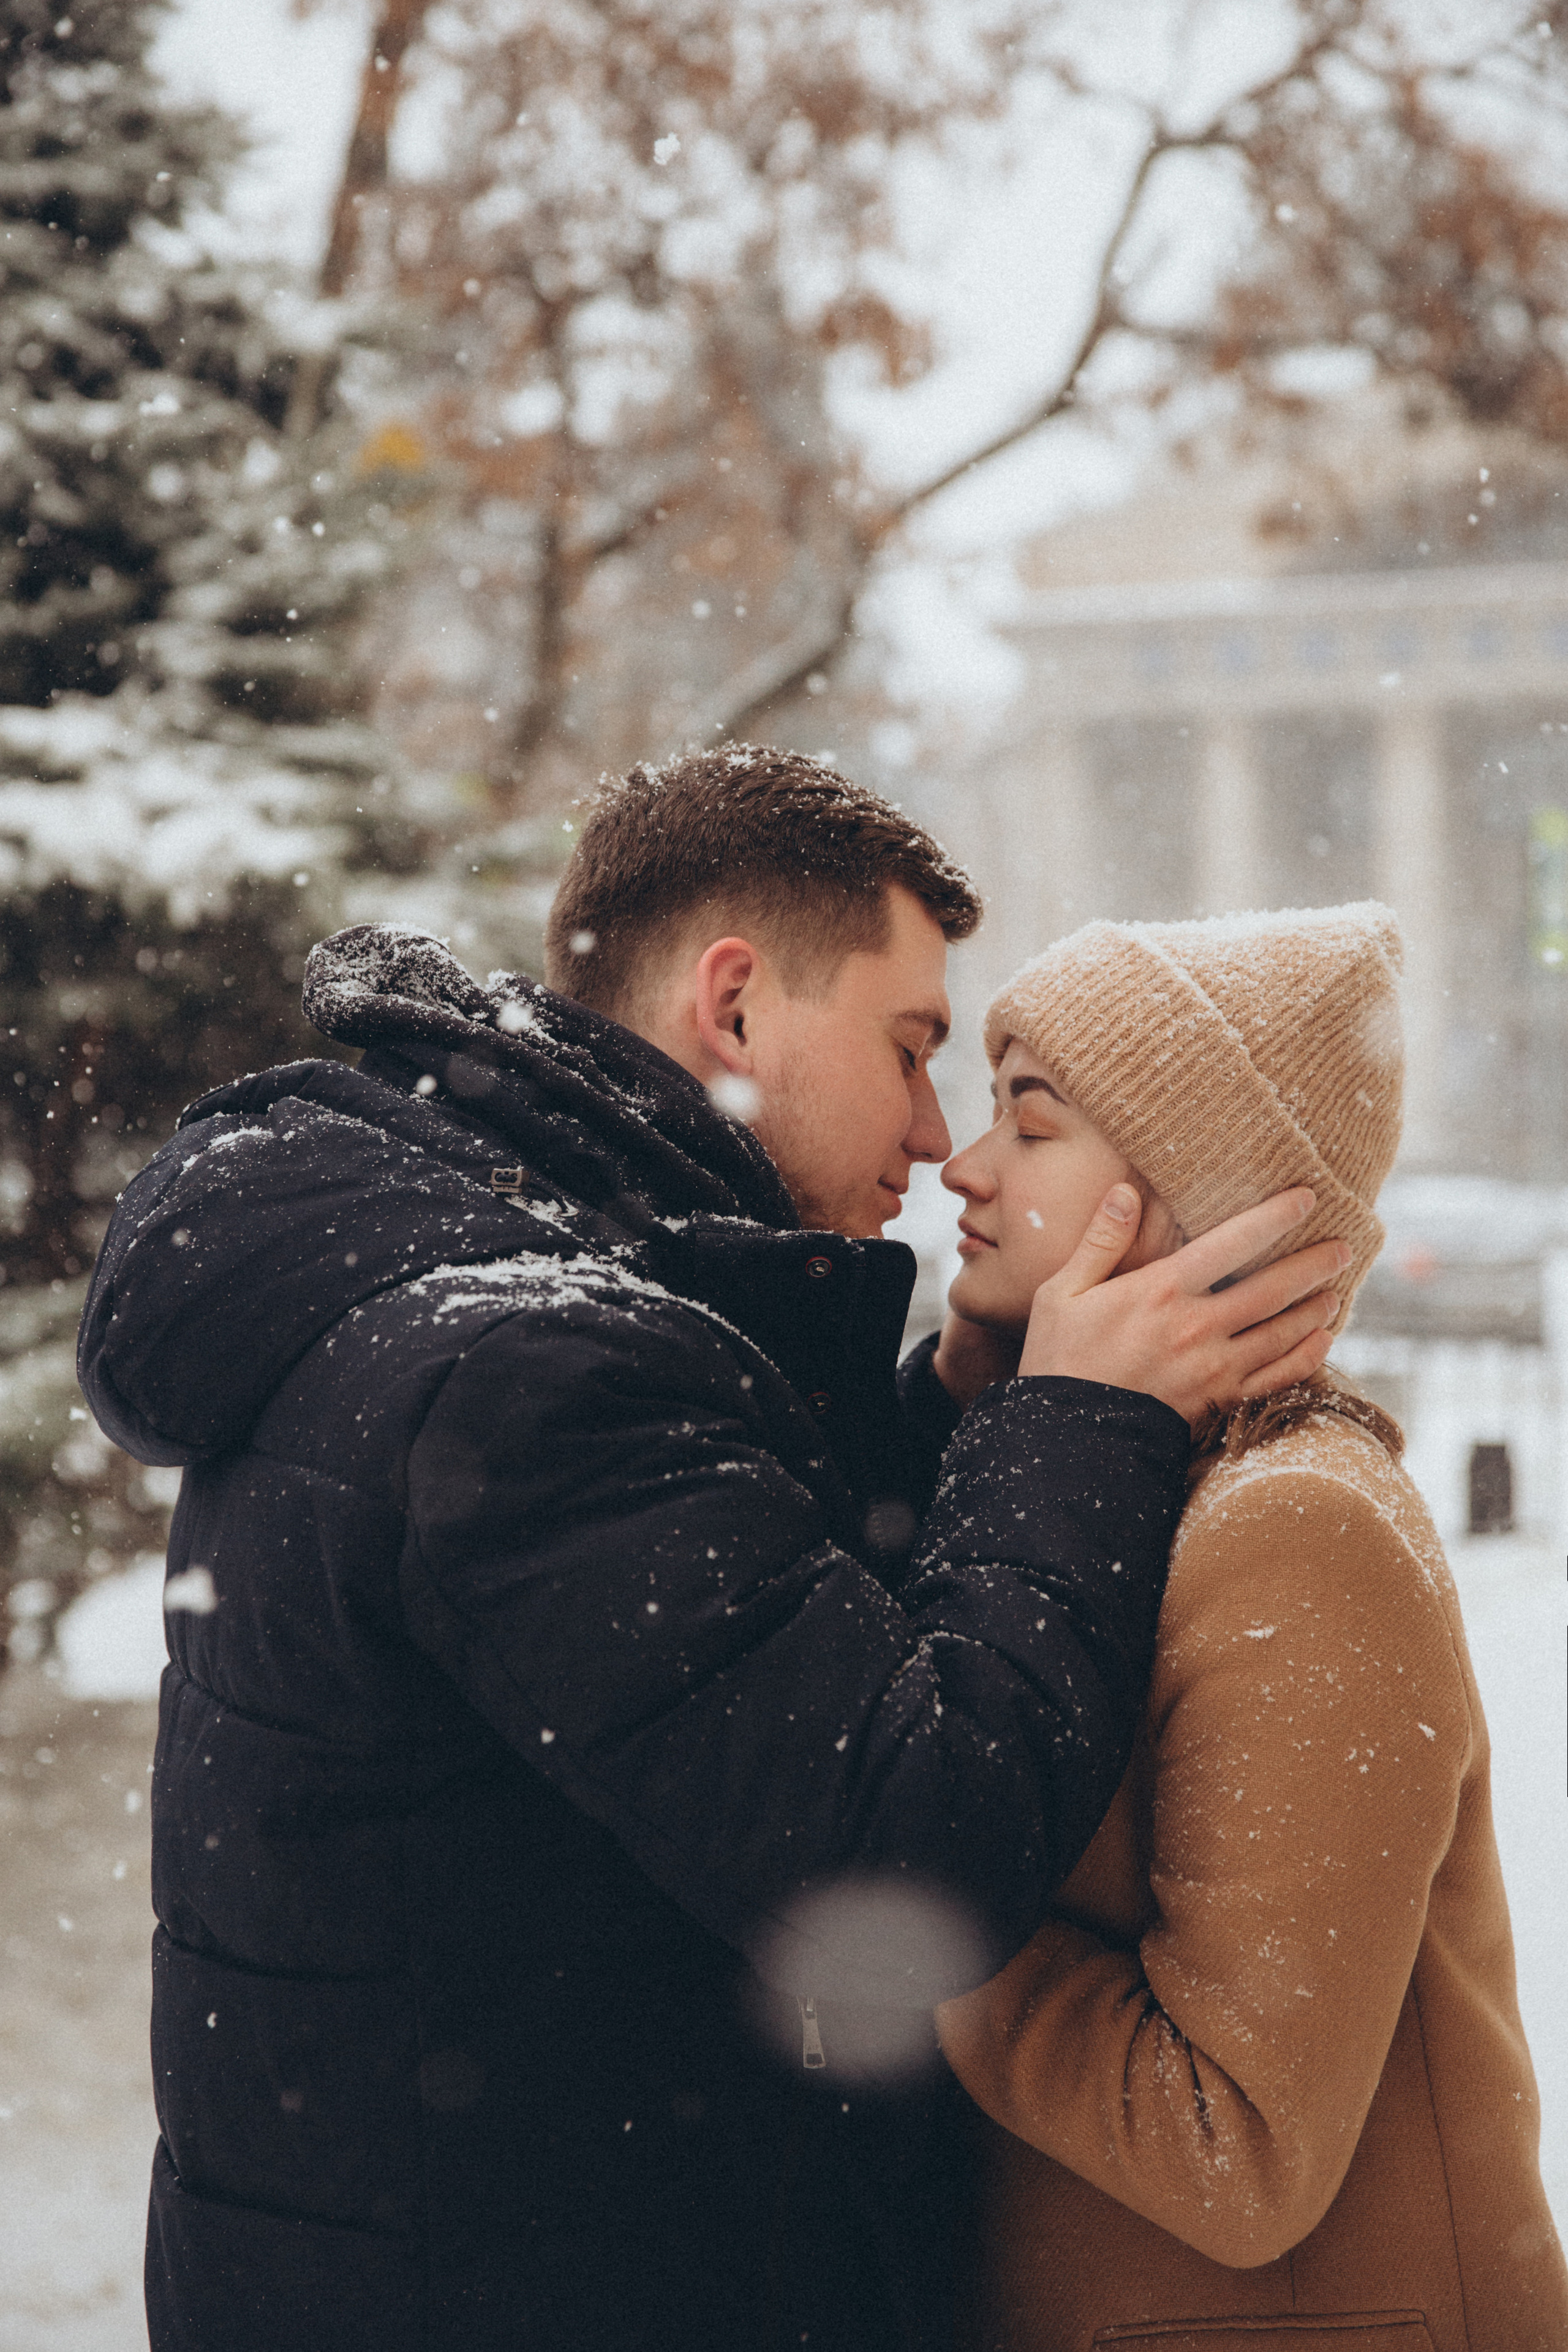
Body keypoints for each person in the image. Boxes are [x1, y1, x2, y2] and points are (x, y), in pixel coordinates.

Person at [78, 748, 1344, 2352]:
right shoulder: (534, 1369)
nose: (933, 1133)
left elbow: (744, 1632)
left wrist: (961, 1403)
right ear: (734, 1008)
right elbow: (907, 1851)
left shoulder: (501, 1285)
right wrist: (1080, 1425)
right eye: (909, 1049)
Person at [932, 902, 1568, 2352]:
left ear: (1188, 1203)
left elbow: (1234, 2149)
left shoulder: (1294, 1528)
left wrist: (906, 1906)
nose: (963, 1166)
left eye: (1027, 1122)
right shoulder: (1120, 1493)